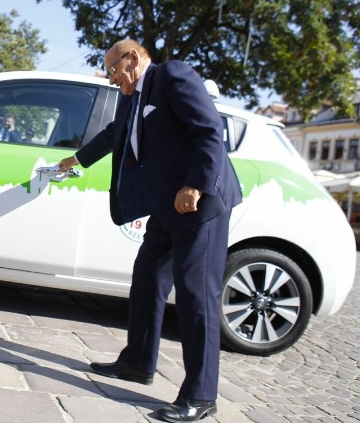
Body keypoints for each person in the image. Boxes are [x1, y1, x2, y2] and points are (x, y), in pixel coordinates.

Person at [57, 39, 241, 423]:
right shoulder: (130, 95)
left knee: (195, 294)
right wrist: (76, 158)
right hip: (167, 205)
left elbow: (209, 131)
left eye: (112, 69)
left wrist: (196, 185)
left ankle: (201, 395)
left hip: (200, 202)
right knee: (146, 278)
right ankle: (138, 362)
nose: (110, 79)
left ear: (132, 58)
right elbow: (114, 134)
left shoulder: (172, 76)